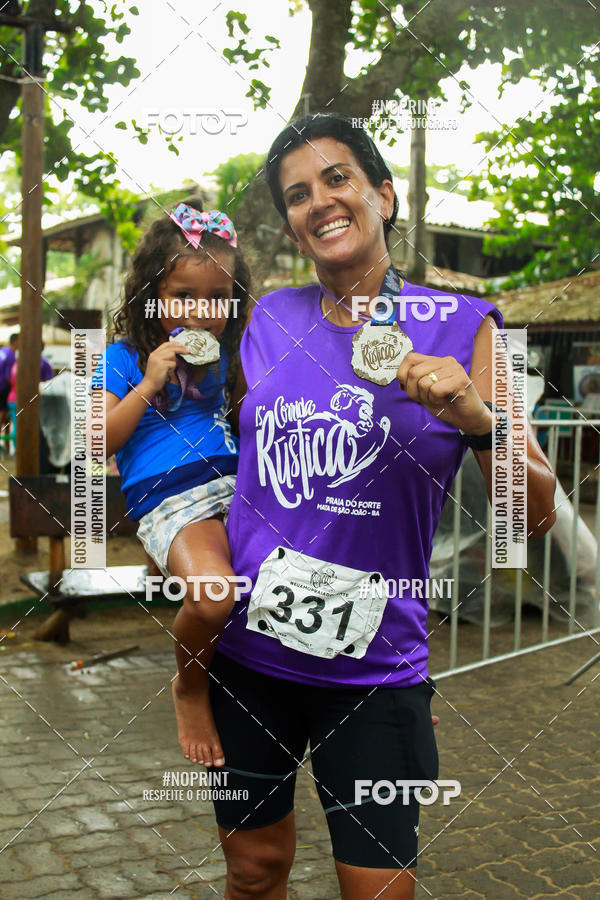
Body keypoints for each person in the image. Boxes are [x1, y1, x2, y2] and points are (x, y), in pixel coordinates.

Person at [199, 114, 557, 900]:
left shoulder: (464, 324)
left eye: (336, 179)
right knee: (253, 872)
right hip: (249, 658)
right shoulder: (269, 320)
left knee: (379, 889)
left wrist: (476, 418)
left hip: (375, 670)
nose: (318, 201)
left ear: (383, 196)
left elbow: (529, 516)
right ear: (292, 224)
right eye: (297, 194)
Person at [92, 198, 250, 769]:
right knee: (213, 596)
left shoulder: (234, 354)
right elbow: (97, 442)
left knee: (325, 560)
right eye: (184, 294)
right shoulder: (123, 356)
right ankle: (188, 686)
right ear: (152, 296)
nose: (202, 311)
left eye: (217, 296)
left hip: (241, 489)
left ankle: (376, 688)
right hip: (170, 499)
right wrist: (148, 382)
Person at [7, 340, 53, 454]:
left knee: (18, 426)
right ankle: (23, 451)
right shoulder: (43, 363)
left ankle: (18, 451)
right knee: (30, 427)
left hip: (13, 398)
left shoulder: (18, 363)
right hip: (31, 400)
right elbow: (49, 384)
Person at [0, 333, 18, 446]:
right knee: (2, 413)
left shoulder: (3, 351)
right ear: (16, 341)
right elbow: (8, 377)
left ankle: (6, 445)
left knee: (5, 416)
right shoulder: (11, 355)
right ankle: (6, 444)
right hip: (3, 388)